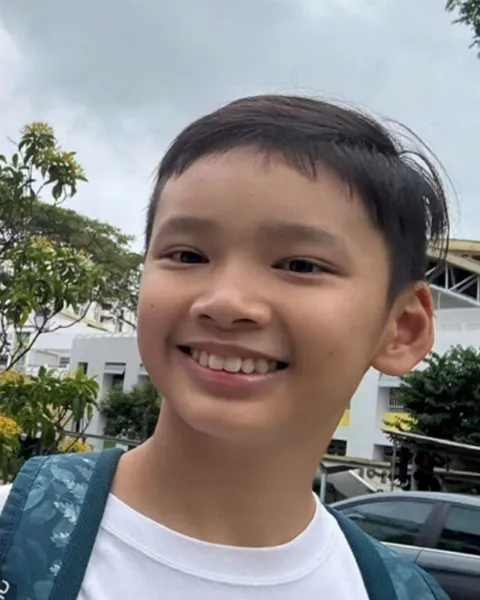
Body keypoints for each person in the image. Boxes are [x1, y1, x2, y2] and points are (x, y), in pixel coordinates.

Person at [0, 95, 450, 599]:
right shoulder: (18, 538)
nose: (226, 302)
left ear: (402, 327)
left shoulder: (396, 591)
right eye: (188, 255)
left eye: (300, 265)